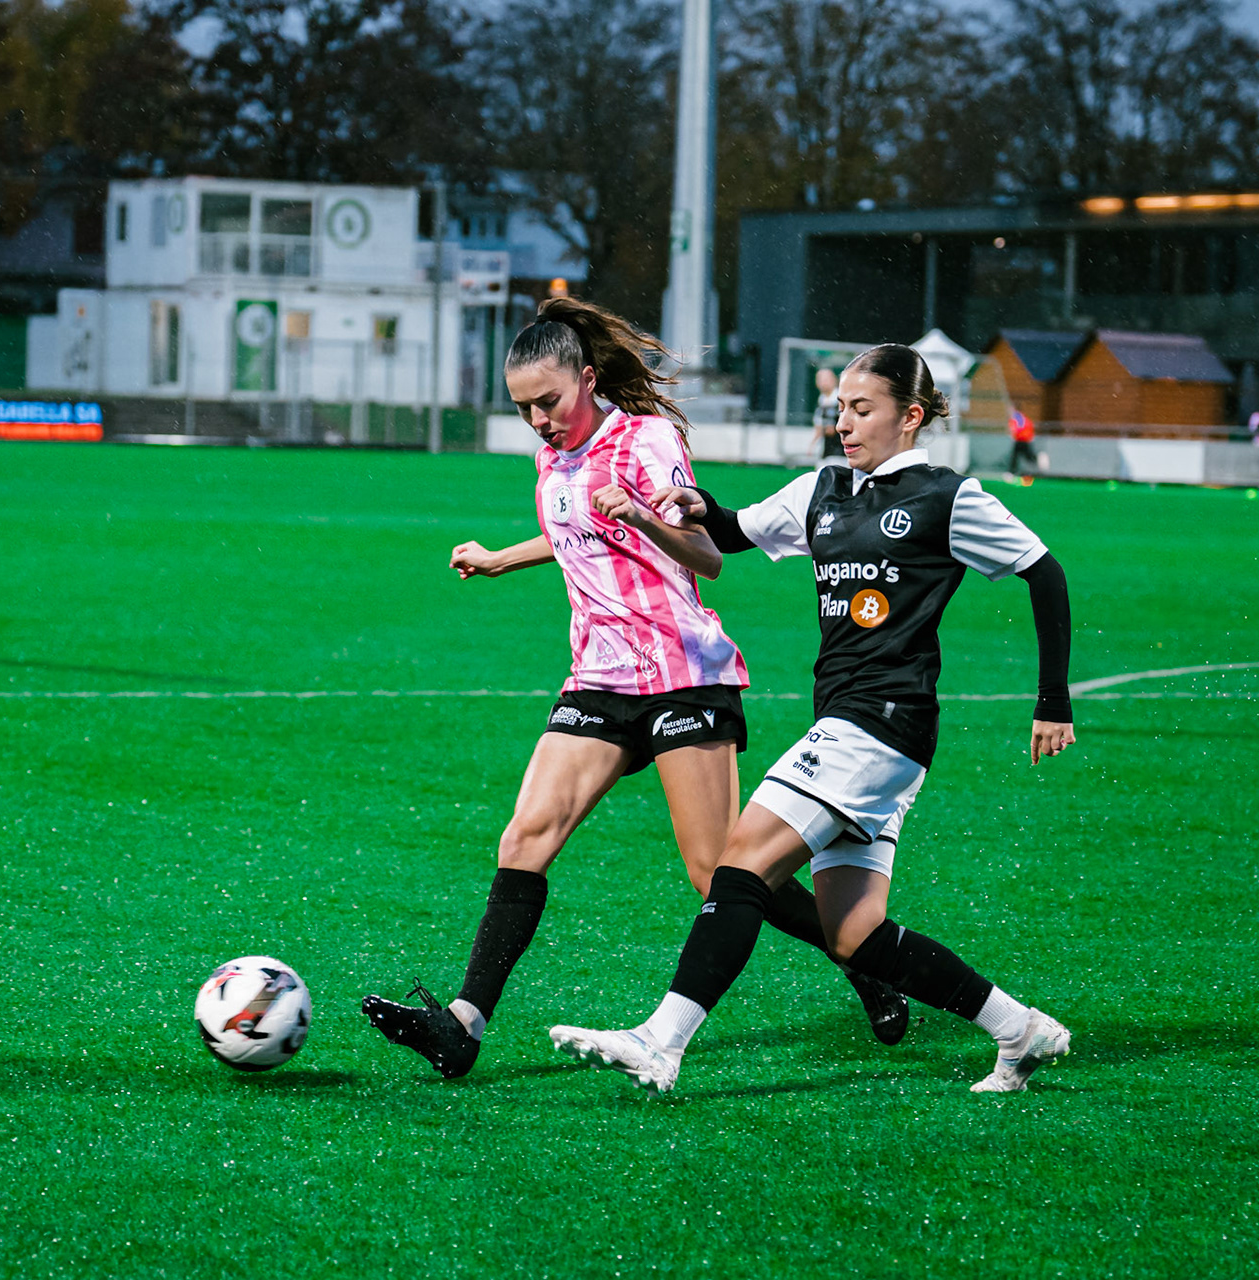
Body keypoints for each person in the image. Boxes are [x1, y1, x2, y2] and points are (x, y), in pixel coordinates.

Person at [362, 300, 908, 1079]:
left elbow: (707, 555)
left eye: (549, 402)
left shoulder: (647, 442)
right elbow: (574, 531)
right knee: (525, 837)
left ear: (587, 379)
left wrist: (642, 519)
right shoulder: (551, 455)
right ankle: (463, 1025)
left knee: (718, 872)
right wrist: (497, 559)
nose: (539, 421)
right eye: (522, 409)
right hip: (600, 676)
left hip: (683, 673)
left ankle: (861, 957)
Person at [550, 343, 1077, 1095]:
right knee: (852, 932)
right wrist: (693, 508)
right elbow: (733, 531)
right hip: (855, 725)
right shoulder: (822, 491)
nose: (846, 424)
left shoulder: (946, 497)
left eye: (864, 410)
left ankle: (661, 1042)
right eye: (840, 410)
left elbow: (1044, 572)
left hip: (881, 723)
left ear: (912, 416)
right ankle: (1017, 1029)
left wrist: (1051, 700)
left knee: (740, 864)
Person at [809, 365, 844, 462]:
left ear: (834, 380)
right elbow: (819, 427)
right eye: (819, 379)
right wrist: (813, 444)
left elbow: (830, 430)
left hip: (839, 453)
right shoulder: (821, 401)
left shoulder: (840, 400)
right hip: (825, 452)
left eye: (825, 379)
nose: (822, 382)